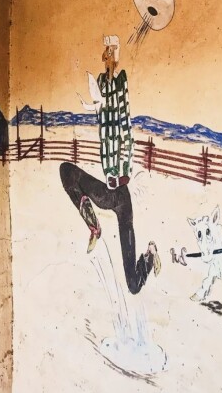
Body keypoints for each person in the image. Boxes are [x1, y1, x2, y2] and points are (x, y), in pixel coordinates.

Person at [59, 35, 158, 294]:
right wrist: (99, 98)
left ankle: (149, 257)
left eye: (110, 54)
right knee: (66, 171)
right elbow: (105, 107)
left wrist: (114, 62)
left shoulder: (119, 103)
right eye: (106, 54)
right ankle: (93, 225)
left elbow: (118, 114)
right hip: (106, 193)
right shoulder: (104, 102)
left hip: (121, 197)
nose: (106, 59)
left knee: (133, 285)